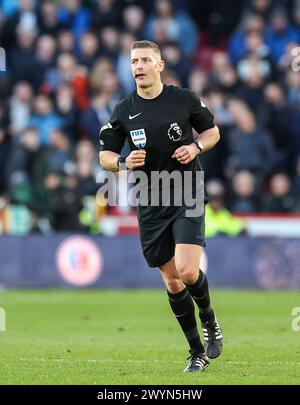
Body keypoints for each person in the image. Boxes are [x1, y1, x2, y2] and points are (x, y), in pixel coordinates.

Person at [99, 40, 223, 373]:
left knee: (187, 270)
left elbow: (212, 133)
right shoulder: (123, 109)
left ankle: (210, 319)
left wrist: (196, 147)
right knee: (171, 282)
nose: (138, 66)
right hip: (150, 199)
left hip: (186, 191)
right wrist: (123, 162)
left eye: (144, 60)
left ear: (160, 65)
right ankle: (197, 351)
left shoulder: (183, 99)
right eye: (133, 61)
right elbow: (105, 156)